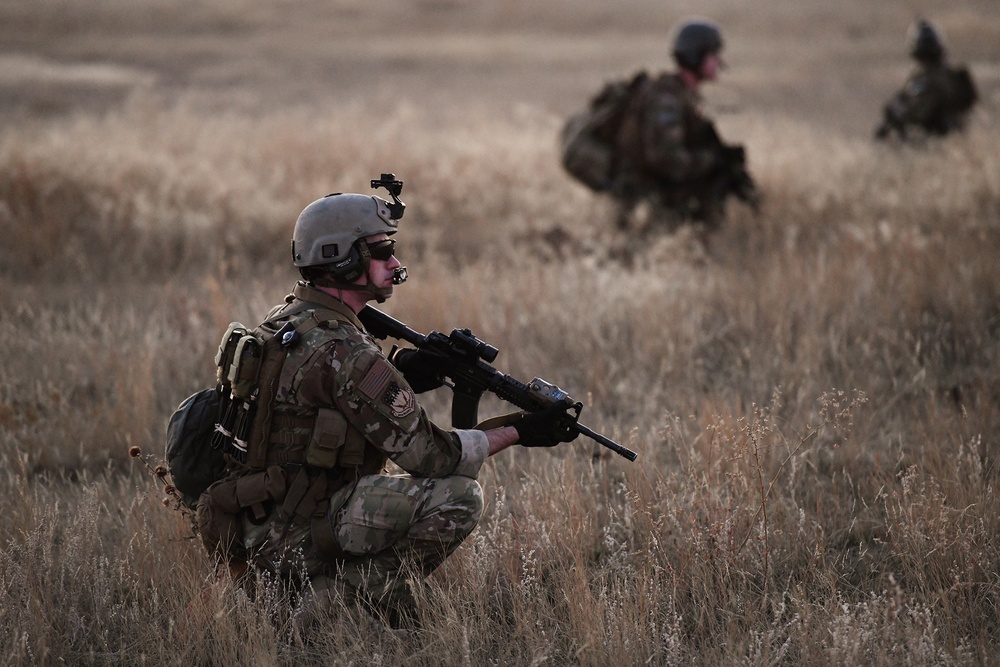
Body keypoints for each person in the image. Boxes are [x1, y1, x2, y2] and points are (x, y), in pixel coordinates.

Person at [194, 185, 578, 629]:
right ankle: (322, 607)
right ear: (344, 259)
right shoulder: (349, 352)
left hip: (253, 518)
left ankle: (313, 591)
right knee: (459, 498)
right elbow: (431, 459)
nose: (394, 264)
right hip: (293, 531)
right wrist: (521, 430)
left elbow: (324, 398)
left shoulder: (287, 319)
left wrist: (403, 373)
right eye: (382, 251)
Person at [563, 17, 757, 235]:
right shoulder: (667, 100)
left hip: (643, 182)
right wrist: (710, 161)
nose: (718, 63)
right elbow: (667, 159)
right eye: (713, 55)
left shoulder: (683, 96)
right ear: (696, 56)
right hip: (637, 185)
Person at [874, 19, 978, 141]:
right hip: (950, 137)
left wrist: (895, 114)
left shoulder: (928, 79)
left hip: (934, 139)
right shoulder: (947, 74)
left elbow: (917, 113)